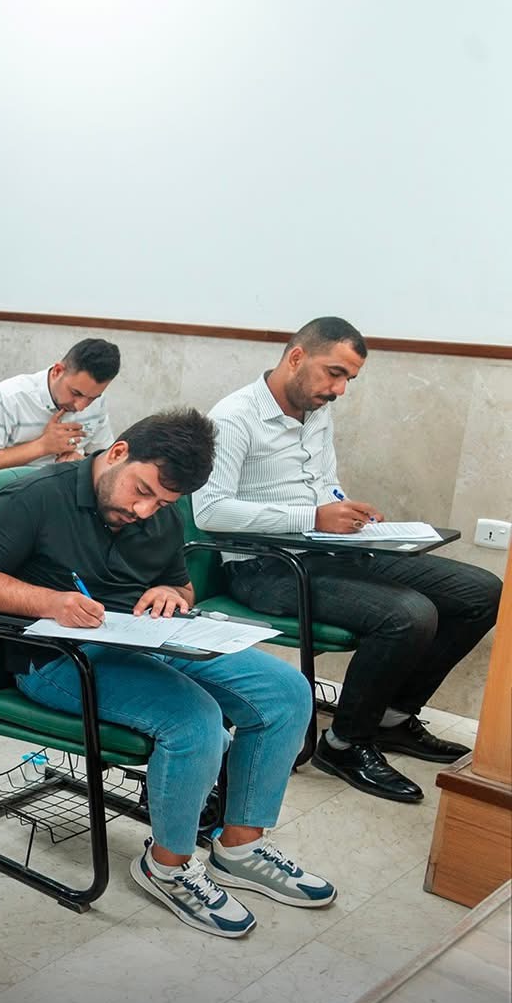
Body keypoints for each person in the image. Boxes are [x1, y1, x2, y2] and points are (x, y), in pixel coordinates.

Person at [0, 409, 333, 939]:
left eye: (160, 503)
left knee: (287, 692)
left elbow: (181, 587)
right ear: (118, 452)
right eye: (141, 491)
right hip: (56, 656)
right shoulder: (33, 498)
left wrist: (170, 594)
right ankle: (168, 866)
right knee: (195, 721)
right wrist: (52, 603)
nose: (143, 510)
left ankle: (240, 847)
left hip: (144, 637)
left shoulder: (161, 513)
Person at [196, 316, 501, 801]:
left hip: (329, 549)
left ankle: (392, 718)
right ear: (296, 357)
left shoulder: (316, 411)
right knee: (409, 614)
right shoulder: (233, 418)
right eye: (334, 373)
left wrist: (347, 511)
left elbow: (323, 484)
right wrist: (313, 516)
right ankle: (343, 742)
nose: (339, 390)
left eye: (348, 380)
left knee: (482, 592)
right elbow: (210, 511)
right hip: (265, 568)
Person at [0, 337, 120, 477]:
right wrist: (42, 446)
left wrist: (82, 464)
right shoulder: (7, 398)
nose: (81, 406)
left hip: (68, 490)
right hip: (14, 492)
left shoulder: (97, 402)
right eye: (75, 393)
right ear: (57, 371)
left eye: (92, 398)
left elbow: (106, 461)